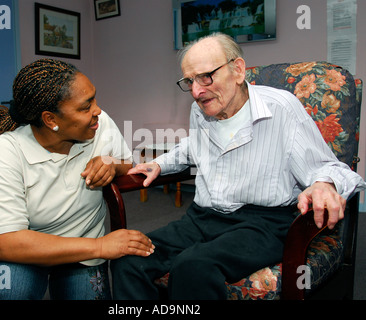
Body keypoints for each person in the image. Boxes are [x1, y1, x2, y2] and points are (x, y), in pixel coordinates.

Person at [110, 33, 366, 299]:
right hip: (202, 217)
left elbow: (329, 167)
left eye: (206, 76)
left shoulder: (280, 108)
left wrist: (324, 184)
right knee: (129, 258)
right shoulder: (201, 110)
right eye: (190, 81)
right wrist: (160, 164)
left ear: (238, 70)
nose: (197, 91)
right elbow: (193, 146)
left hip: (263, 223)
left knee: (193, 267)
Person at [0, 58, 154, 300]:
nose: (97, 110)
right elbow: (4, 243)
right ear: (51, 120)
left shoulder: (98, 124)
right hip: (26, 249)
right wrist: (101, 247)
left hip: (83, 242)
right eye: (85, 106)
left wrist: (112, 164)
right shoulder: (6, 149)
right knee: (9, 293)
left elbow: (127, 164)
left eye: (94, 99)